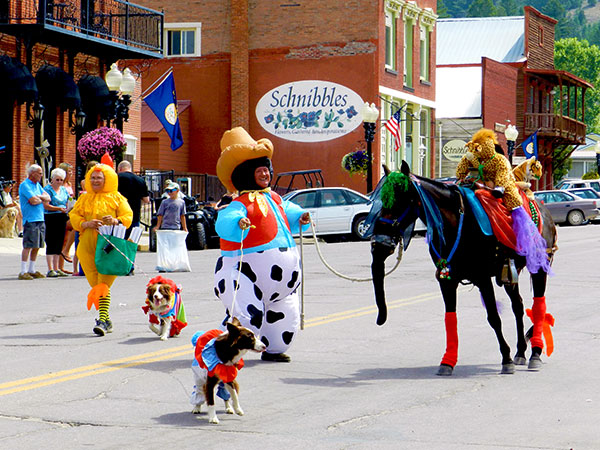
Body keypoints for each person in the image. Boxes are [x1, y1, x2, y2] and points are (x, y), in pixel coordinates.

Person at [214, 127, 311, 363]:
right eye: (258, 170)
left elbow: (288, 211)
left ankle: (274, 347)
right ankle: (220, 349)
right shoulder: (239, 203)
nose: (264, 173)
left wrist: (300, 216)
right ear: (245, 174)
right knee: (247, 319)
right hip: (243, 274)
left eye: (266, 168)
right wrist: (239, 222)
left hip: (283, 285)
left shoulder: (275, 198)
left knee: (286, 322)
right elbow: (223, 222)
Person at [69, 157, 133, 336]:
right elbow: (74, 216)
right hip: (86, 247)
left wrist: (115, 220)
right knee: (96, 285)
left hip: (109, 248)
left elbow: (127, 216)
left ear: (107, 180)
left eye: (99, 178)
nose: (95, 181)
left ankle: (103, 320)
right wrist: (85, 224)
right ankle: (106, 317)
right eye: (93, 178)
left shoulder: (117, 198)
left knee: (103, 284)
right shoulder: (84, 198)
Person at [18, 164, 51, 280]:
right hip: (30, 219)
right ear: (32, 173)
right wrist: (40, 198)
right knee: (28, 245)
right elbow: (32, 201)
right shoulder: (25, 185)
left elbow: (48, 198)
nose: (41, 175)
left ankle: (32, 269)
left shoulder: (38, 186)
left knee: (37, 245)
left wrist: (39, 198)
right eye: (39, 173)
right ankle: (23, 271)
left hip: (40, 218)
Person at [43, 168, 70, 277]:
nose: (59, 182)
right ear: (52, 179)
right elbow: (46, 205)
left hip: (62, 217)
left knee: (59, 242)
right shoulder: (47, 190)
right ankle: (50, 269)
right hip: (50, 217)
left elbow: (67, 201)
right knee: (51, 241)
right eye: (57, 179)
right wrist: (58, 208)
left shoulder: (63, 190)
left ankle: (57, 267)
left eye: (61, 180)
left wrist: (66, 209)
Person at [117, 160, 150, 236]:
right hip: (134, 216)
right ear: (130, 168)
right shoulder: (140, 180)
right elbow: (146, 200)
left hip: (118, 216)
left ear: (120, 169)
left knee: (117, 242)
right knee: (131, 243)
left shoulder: (116, 178)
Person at [58, 162, 76, 273]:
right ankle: (60, 264)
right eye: (69, 171)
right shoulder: (60, 184)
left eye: (72, 171)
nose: (71, 173)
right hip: (63, 212)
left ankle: (62, 265)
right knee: (63, 239)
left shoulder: (69, 184)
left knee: (66, 239)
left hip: (70, 211)